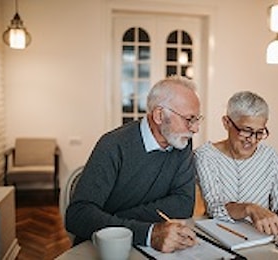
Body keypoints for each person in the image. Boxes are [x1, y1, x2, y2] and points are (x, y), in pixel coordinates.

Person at [65, 75, 204, 253]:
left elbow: (184, 204)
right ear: (159, 115)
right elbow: (78, 215)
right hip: (104, 249)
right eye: (189, 119)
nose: (195, 129)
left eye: (197, 119)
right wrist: (147, 232)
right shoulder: (113, 145)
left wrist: (116, 219)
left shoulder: (182, 143)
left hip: (150, 246)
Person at [194, 91, 278, 243]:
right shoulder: (205, 156)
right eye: (246, 131)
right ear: (226, 123)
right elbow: (215, 207)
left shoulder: (270, 156)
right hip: (221, 237)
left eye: (259, 133)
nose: (252, 140)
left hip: (264, 237)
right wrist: (250, 209)